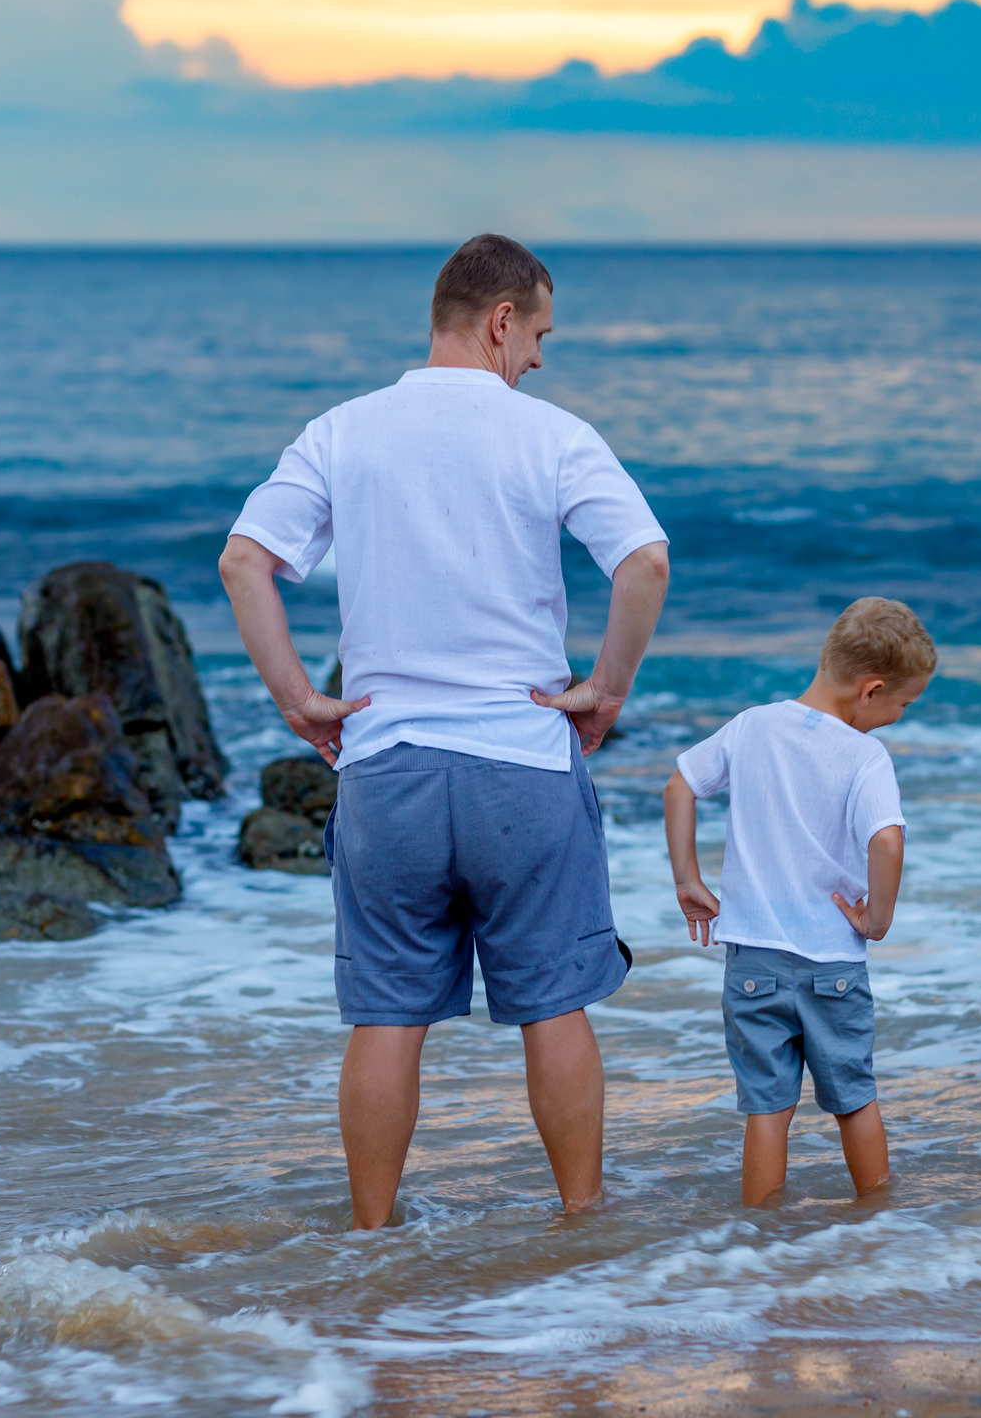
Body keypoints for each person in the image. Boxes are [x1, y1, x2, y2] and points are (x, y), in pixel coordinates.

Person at [219, 234, 671, 1229]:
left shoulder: (342, 431)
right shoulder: (553, 435)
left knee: (387, 1017)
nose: (539, 358)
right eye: (539, 334)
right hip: (522, 765)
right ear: (501, 320)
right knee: (553, 1007)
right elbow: (644, 563)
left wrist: (298, 698)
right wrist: (605, 688)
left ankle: (372, 1238)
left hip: (388, 769)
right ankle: (582, 1223)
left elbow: (244, 561)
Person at [663, 597, 936, 1205]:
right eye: (903, 703)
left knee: (767, 1107)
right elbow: (887, 840)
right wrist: (877, 919)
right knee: (854, 1100)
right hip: (832, 962)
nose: (900, 716)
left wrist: (688, 880)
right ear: (871, 690)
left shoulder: (752, 725)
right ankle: (879, 1220)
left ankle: (762, 1235)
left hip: (752, 961)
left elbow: (679, 786)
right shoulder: (865, 756)